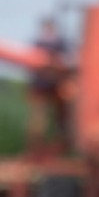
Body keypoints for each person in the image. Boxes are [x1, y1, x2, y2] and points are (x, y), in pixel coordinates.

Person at [26, 17, 71, 154]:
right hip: (44, 85)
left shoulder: (55, 43)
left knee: (59, 119)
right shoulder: (44, 43)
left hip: (55, 85)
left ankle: (57, 148)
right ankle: (38, 149)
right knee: (40, 119)